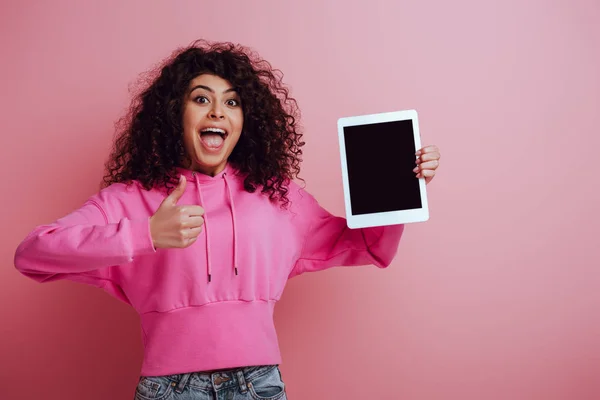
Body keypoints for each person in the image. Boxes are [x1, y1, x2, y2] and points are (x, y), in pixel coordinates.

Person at [14, 40, 441, 400]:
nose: (218, 112)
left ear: (244, 121)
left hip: (258, 385)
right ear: (172, 114)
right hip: (169, 388)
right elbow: (32, 254)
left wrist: (401, 186)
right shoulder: (131, 199)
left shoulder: (277, 195)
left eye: (232, 102)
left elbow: (365, 245)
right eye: (201, 99)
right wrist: (144, 235)